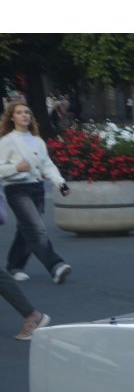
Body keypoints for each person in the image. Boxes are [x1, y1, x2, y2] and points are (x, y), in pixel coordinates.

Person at [0, 100, 73, 287]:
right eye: (19, 112)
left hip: (36, 188)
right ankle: (56, 266)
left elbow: (47, 165)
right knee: (36, 228)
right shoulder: (7, 141)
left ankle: (14, 266)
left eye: (27, 112)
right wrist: (16, 167)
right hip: (16, 189)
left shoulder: (37, 141)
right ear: (12, 117)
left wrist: (60, 183)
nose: (24, 115)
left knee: (26, 228)